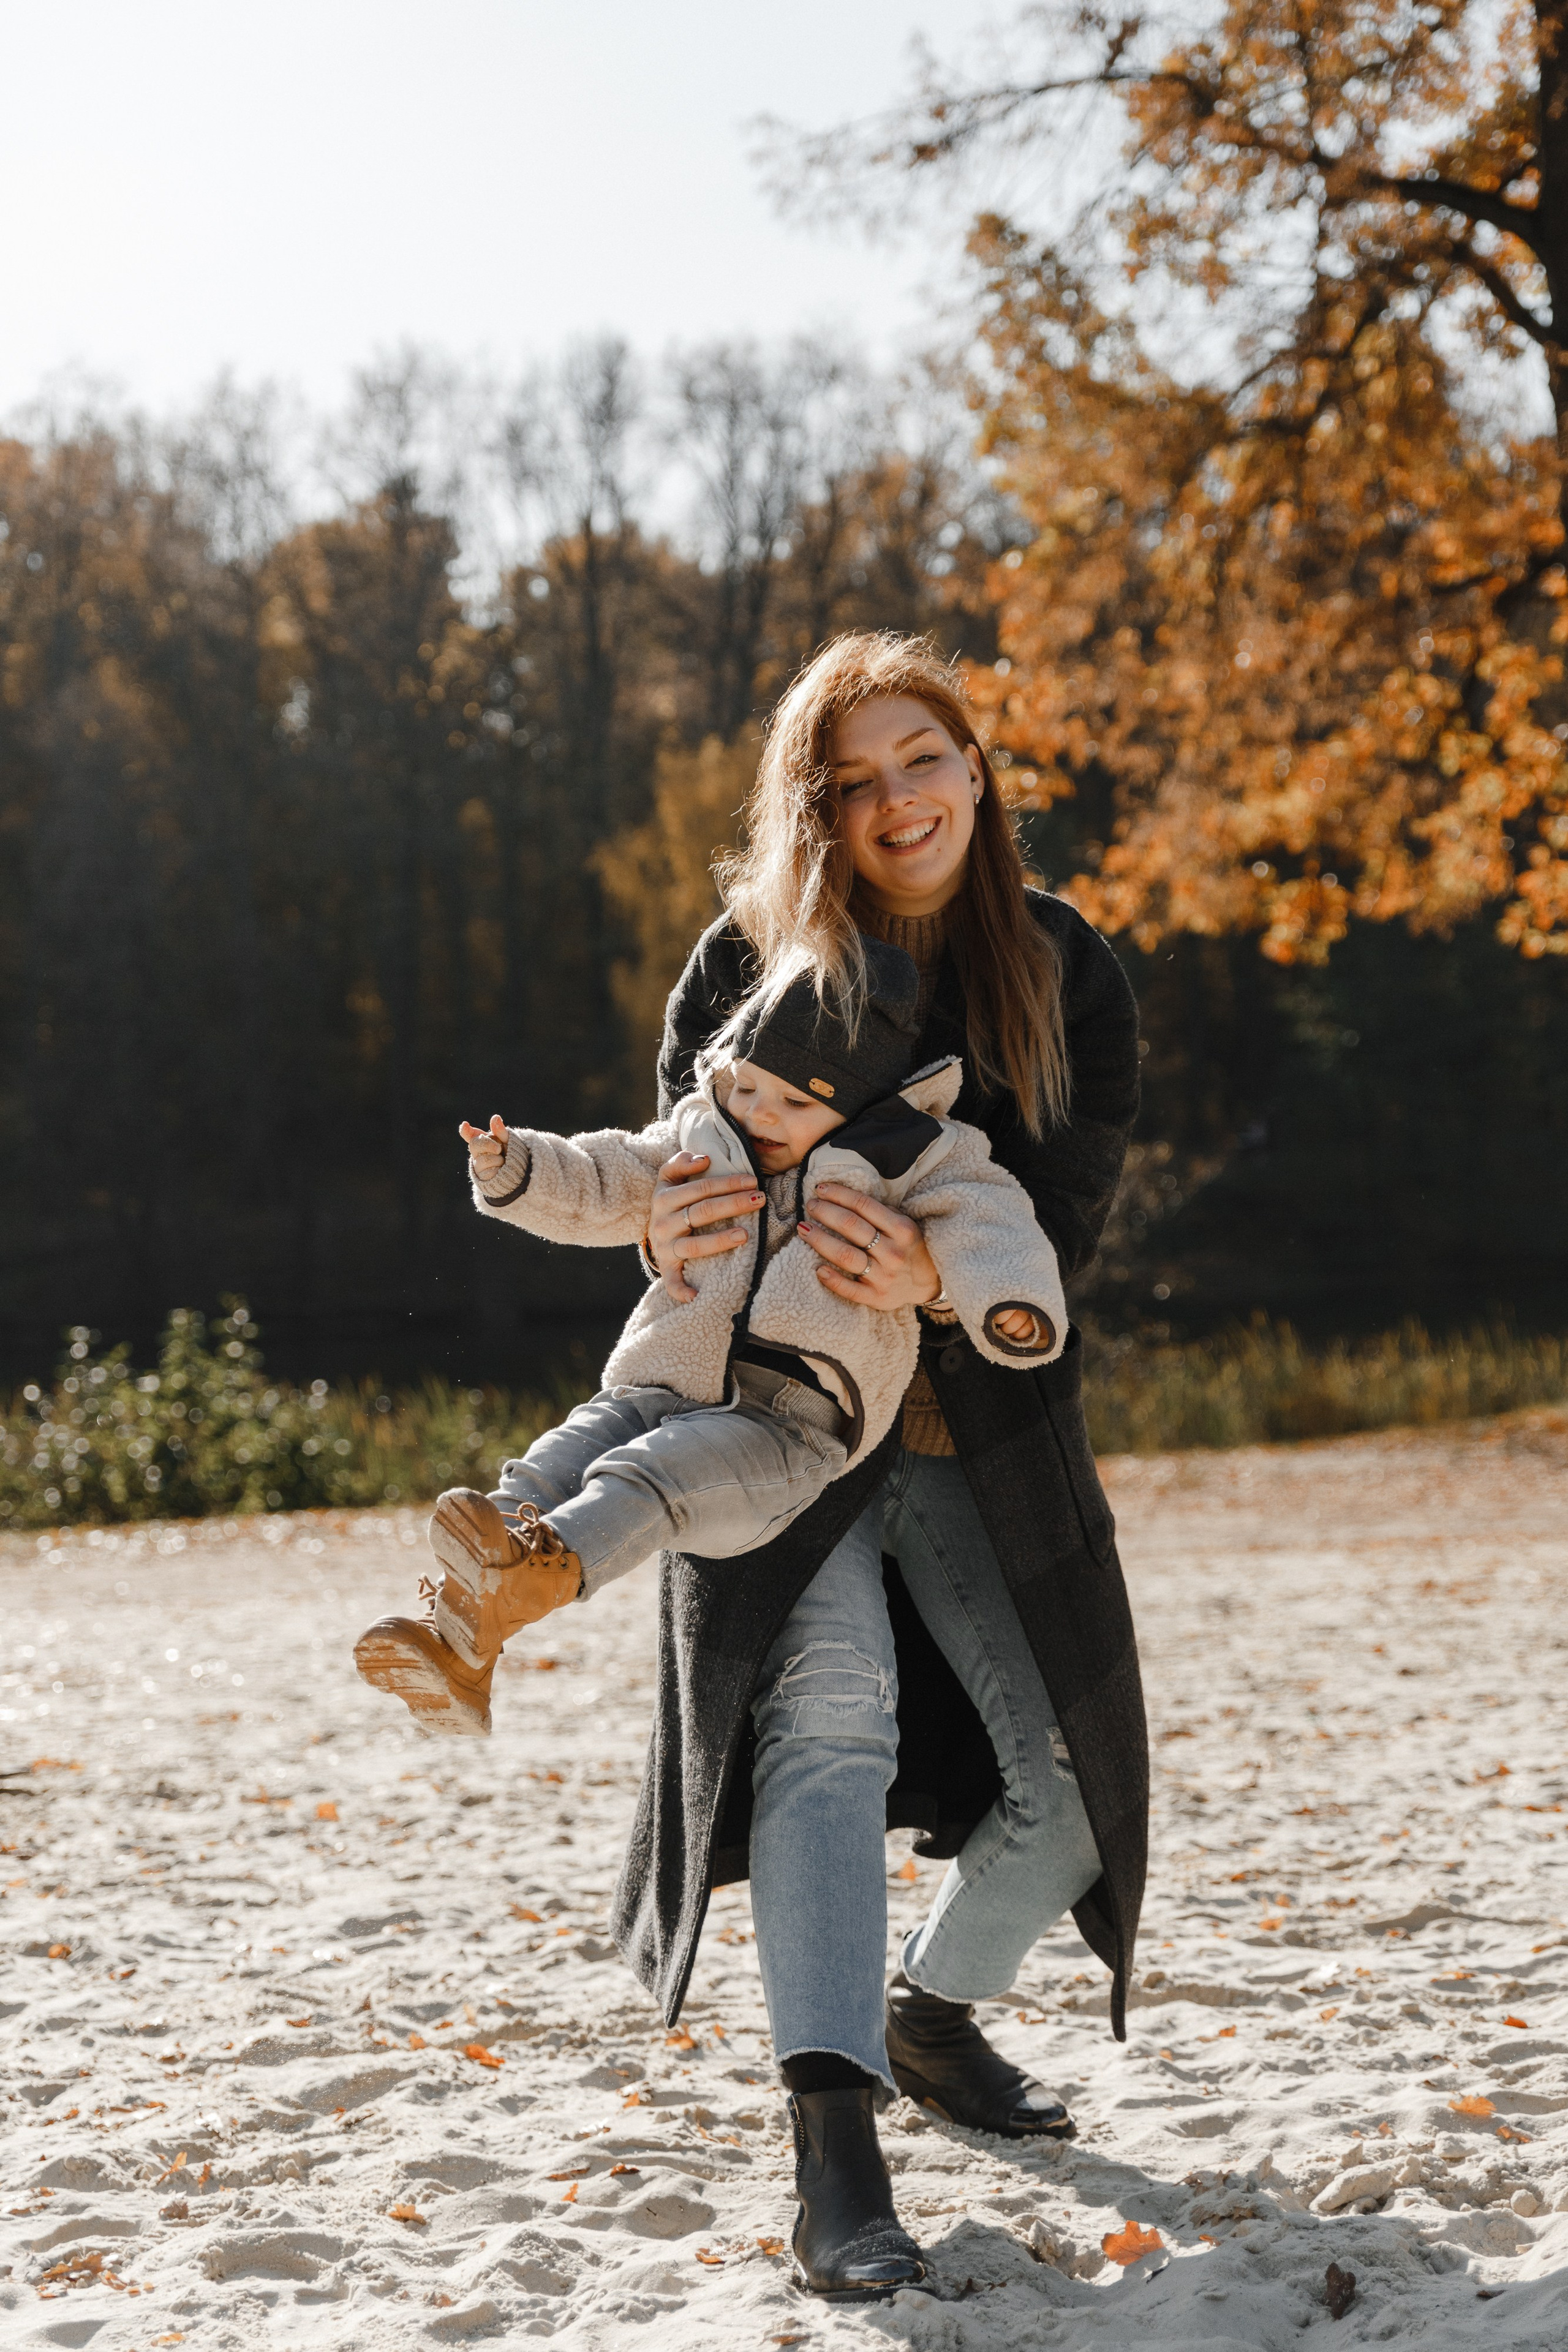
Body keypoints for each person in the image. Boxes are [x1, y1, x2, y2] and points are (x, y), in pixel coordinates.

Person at [606, 633, 1147, 2301]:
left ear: (976, 771)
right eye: (855, 780)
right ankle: (832, 2153)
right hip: (786, 1438)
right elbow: (678, 1203)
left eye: (924, 758)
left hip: (981, 1441)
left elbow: (1064, 1239)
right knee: (821, 1726)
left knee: (1073, 1790)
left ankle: (931, 2009)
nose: (898, 799)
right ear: (817, 814)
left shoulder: (1063, 969)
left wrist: (944, 1280)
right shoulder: (740, 967)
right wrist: (667, 1213)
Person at [352, 933, 1068, 1738]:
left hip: (785, 1432)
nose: (762, 1115)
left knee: (650, 1473)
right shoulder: (709, 1138)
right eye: (749, 1086)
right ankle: (458, 1640)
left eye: (798, 1104)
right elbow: (607, 1177)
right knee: (553, 1461)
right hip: (661, 1387)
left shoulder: (915, 1159)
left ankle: (536, 1573)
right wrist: (517, 1167)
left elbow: (993, 1226)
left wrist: (1007, 1303)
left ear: (868, 1101)